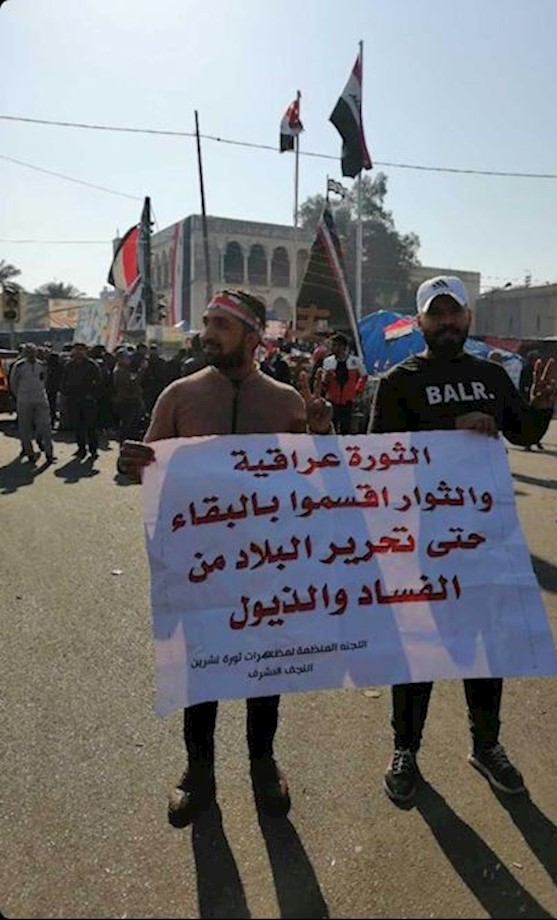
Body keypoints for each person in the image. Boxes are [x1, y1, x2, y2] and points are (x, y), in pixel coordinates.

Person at [118, 289, 333, 829]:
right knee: (202, 672)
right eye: (208, 322)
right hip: (201, 565)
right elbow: (147, 465)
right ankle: (198, 772)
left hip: (269, 563)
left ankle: (263, 764)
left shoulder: (287, 401)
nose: (207, 333)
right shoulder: (179, 394)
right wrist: (132, 464)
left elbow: (321, 482)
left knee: (266, 671)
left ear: (253, 336)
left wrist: (322, 431)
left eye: (221, 325)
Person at [368, 275, 557, 806]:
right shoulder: (399, 381)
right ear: (421, 321)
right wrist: (453, 428)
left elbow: (524, 432)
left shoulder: (491, 377)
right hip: (421, 540)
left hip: (484, 538)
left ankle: (486, 745)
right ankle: (405, 750)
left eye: (455, 314)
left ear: (468, 319)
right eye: (437, 314)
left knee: (486, 648)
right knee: (418, 653)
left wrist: (542, 407)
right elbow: (380, 459)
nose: (447, 322)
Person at [9, 343, 55, 464]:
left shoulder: (41, 365)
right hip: (24, 399)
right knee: (25, 428)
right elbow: (13, 383)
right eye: (28, 351)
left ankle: (49, 454)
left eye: (32, 351)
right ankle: (29, 452)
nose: (30, 354)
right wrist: (19, 395)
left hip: (40, 398)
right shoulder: (19, 366)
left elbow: (44, 380)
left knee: (45, 426)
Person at [60, 342, 102, 460]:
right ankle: (81, 449)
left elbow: (99, 381)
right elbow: (64, 381)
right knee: (77, 426)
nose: (78, 352)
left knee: (91, 426)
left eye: (81, 350)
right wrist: (65, 393)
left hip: (88, 399)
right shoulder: (69, 365)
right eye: (76, 349)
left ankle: (93, 450)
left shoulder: (91, 365)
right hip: (73, 399)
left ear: (85, 351)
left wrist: (92, 395)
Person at [321, 332, 368, 434]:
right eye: (332, 345)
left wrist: (357, 390)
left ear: (343, 346)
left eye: (335, 345)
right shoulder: (327, 362)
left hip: (348, 400)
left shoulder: (355, 361)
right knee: (331, 427)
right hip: (332, 400)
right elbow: (324, 382)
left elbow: (364, 376)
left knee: (345, 428)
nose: (332, 348)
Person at [519, 351, 545, 451]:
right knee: (528, 421)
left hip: (538, 398)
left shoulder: (540, 369)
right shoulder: (526, 369)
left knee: (537, 421)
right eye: (535, 358)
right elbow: (523, 385)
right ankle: (527, 443)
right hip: (528, 399)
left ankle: (536, 440)